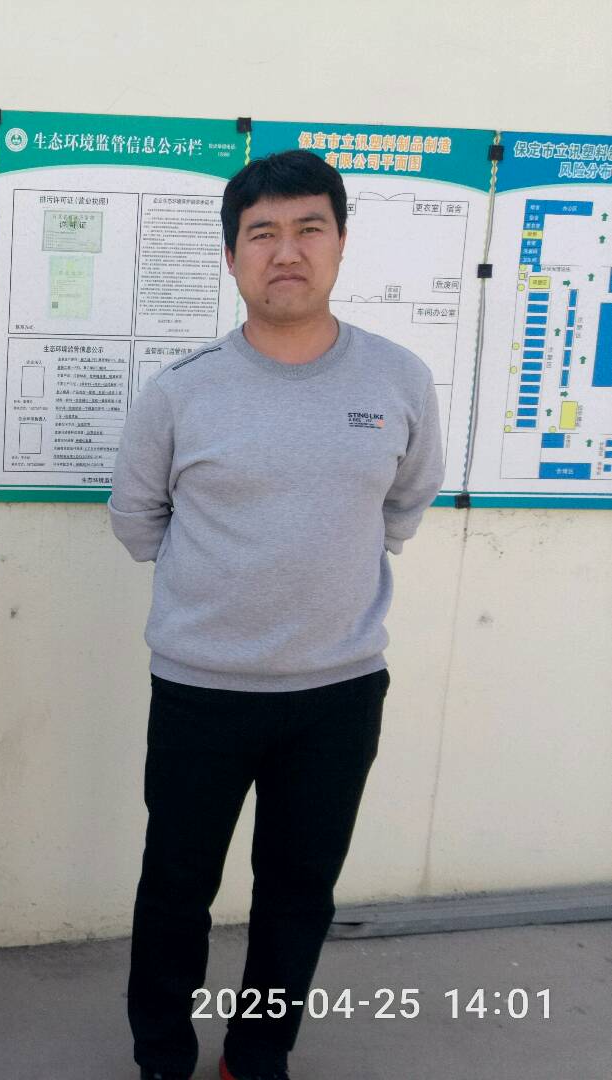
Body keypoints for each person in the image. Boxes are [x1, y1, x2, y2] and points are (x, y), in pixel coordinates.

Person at [108, 151, 444, 1080]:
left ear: (339, 243)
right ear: (231, 257)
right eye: (261, 233)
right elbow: (137, 519)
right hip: (200, 690)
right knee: (174, 889)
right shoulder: (181, 390)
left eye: (307, 229)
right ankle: (162, 1054)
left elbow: (404, 503)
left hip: (338, 692)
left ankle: (256, 1053)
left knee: (298, 893)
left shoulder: (398, 379)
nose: (285, 251)